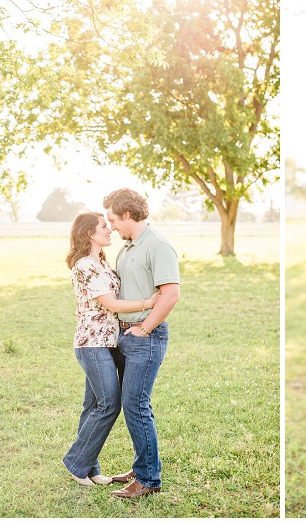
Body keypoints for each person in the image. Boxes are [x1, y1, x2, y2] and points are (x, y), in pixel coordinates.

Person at [62, 212, 159, 486]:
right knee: (109, 404)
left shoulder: (101, 263)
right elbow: (112, 304)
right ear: (89, 233)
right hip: (91, 344)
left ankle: (90, 468)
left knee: (92, 405)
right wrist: (149, 302)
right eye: (104, 226)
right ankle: (76, 462)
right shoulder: (84, 266)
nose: (110, 230)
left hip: (108, 342)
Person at [102, 188, 181, 499]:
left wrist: (145, 328)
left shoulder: (158, 245)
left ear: (127, 214)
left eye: (112, 219)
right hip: (125, 334)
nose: (111, 226)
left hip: (144, 336)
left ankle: (149, 479)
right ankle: (142, 465)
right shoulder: (129, 246)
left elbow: (171, 294)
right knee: (134, 405)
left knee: (135, 404)